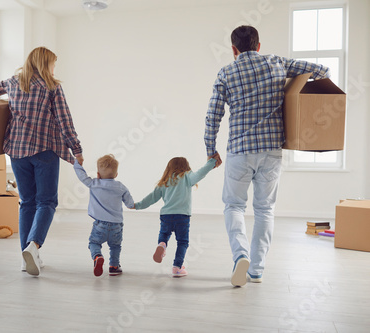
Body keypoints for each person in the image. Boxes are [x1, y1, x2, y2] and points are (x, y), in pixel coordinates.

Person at [204, 25, 330, 287]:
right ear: (258, 46)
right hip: (271, 151)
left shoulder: (226, 72)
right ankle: (257, 269)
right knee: (264, 209)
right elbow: (322, 71)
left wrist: (210, 149)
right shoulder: (277, 63)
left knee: (234, 206)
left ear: (234, 49)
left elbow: (213, 116)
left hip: (239, 151)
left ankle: (240, 256)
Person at [0, 47, 83, 277]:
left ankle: (25, 257)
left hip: (16, 151)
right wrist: (76, 149)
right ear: (45, 63)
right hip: (44, 150)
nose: (54, 68)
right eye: (53, 64)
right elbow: (65, 120)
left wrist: (0, 115)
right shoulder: (52, 87)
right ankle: (33, 246)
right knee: (46, 201)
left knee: (27, 202)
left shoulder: (12, 82)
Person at [134, 157, 216, 277]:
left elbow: (152, 197)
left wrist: (137, 205)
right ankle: (177, 267)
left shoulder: (165, 181)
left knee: (164, 234)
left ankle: (162, 244)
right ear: (186, 166)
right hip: (182, 216)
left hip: (166, 215)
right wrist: (212, 162)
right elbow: (201, 173)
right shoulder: (187, 176)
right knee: (182, 242)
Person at [74, 154, 134, 277]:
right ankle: (114, 267)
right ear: (116, 175)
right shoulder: (121, 187)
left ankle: (97, 256)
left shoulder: (94, 184)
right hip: (116, 226)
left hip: (100, 225)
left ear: (98, 174)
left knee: (94, 243)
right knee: (115, 246)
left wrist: (77, 164)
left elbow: (82, 176)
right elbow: (130, 204)